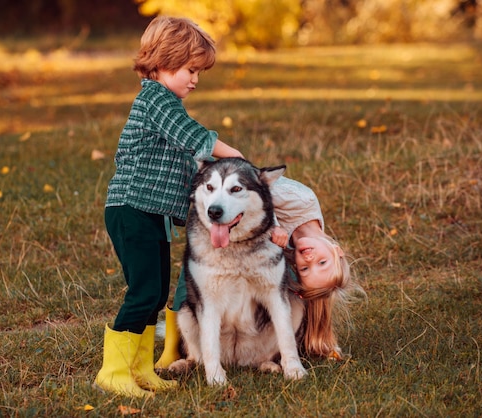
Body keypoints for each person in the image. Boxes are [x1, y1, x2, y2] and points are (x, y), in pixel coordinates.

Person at [95, 16, 243, 398]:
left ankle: (140, 368)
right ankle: (113, 372)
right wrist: (233, 155)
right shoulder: (155, 98)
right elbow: (189, 135)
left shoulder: (166, 100)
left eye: (198, 72)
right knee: (143, 291)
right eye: (190, 69)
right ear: (163, 62)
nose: (195, 79)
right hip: (131, 209)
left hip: (152, 214)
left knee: (157, 291)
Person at [155, 176, 365, 368]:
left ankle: (266, 357)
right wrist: (272, 226)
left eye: (305, 268)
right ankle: (179, 348)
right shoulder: (303, 200)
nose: (310, 259)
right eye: (322, 262)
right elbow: (251, 184)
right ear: (337, 251)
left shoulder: (294, 255)